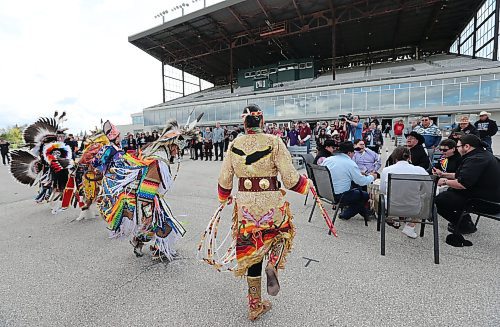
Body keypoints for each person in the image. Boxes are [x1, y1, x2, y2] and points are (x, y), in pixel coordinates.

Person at [206, 104, 310, 321]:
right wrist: (306, 185)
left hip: (246, 208)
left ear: (244, 123)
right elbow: (290, 179)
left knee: (253, 251)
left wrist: (223, 198)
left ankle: (254, 305)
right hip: (271, 202)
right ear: (262, 121)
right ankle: (272, 263)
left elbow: (225, 179)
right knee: (283, 233)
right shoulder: (274, 141)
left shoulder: (234, 143)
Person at [435, 135, 500, 234]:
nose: (457, 149)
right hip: (490, 196)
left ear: (467, 146)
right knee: (450, 191)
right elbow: (461, 175)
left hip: (487, 203)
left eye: (458, 147)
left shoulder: (475, 159)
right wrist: (443, 174)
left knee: (439, 200)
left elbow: (462, 184)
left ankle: (464, 225)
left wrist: (444, 181)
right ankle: (464, 221)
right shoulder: (483, 154)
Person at [379, 146, 429, 238]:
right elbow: (429, 191)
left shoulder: (387, 170)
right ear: (409, 157)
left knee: (380, 197)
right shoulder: (420, 171)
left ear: (394, 158)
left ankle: (393, 219)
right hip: (415, 208)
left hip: (392, 207)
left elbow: (382, 190)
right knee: (424, 199)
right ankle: (410, 226)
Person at [321, 141, 377, 221]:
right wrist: (372, 177)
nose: (354, 154)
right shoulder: (350, 163)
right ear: (349, 153)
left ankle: (366, 213)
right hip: (340, 195)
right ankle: (346, 214)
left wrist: (356, 172)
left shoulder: (328, 160)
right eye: (353, 152)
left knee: (356, 192)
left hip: (325, 192)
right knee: (364, 195)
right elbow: (361, 181)